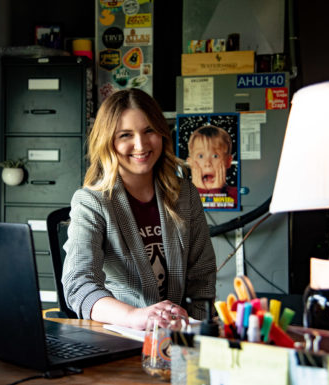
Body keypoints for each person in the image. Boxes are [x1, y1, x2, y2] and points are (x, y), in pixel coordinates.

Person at [61, 88, 217, 330]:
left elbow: (202, 277)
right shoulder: (91, 202)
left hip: (174, 335)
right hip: (121, 334)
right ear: (108, 141)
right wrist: (135, 317)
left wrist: (194, 332)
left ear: (162, 134)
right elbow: (78, 283)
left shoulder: (185, 194)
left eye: (149, 131)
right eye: (125, 135)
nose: (140, 144)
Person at [186, 125, 238, 209]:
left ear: (228, 161)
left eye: (215, 156)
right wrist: (198, 190)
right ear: (191, 163)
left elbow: (220, 218)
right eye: (201, 156)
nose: (208, 163)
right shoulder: (182, 196)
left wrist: (215, 192)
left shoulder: (236, 194)